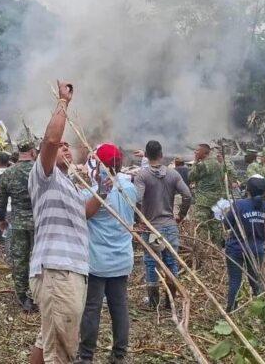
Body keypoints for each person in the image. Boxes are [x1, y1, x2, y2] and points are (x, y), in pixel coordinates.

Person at [29, 80, 101, 364]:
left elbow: (84, 213)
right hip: (58, 270)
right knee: (60, 350)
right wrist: (63, 102)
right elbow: (50, 140)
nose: (66, 149)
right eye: (62, 147)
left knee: (49, 338)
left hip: (71, 269)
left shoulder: (69, 183)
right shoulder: (44, 176)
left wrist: (104, 191)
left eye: (69, 147)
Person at [77, 143, 139, 364]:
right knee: (119, 307)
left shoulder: (92, 193)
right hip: (122, 259)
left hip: (97, 262)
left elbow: (82, 214)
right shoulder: (129, 188)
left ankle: (86, 356)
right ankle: (119, 354)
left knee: (91, 308)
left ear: (99, 165)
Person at [135, 140, 191, 309]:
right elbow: (187, 195)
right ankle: (170, 302)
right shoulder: (173, 174)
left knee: (152, 262)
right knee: (171, 262)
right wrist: (180, 216)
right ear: (161, 154)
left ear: (146, 154)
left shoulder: (142, 176)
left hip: (152, 228)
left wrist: (140, 220)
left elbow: (137, 199)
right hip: (170, 226)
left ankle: (153, 303)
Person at [0, 135, 38, 311]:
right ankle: (37, 294)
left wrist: (1, 219)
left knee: (20, 260)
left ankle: (23, 296)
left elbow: (0, 201)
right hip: (39, 223)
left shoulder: (8, 173)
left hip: (18, 223)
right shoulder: (40, 171)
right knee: (39, 259)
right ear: (33, 152)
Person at [222, 175, 265, 312]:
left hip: (236, 249)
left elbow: (226, 223)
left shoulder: (239, 205)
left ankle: (231, 310)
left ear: (247, 189)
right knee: (256, 280)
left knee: (235, 280)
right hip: (257, 250)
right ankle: (262, 311)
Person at [189, 143, 226, 245]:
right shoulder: (218, 163)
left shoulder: (202, 165)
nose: (195, 152)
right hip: (216, 200)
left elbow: (191, 176)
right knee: (215, 225)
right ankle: (217, 249)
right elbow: (222, 178)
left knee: (201, 225)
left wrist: (195, 161)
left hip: (203, 201)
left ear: (205, 153)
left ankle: (203, 248)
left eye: (197, 150)